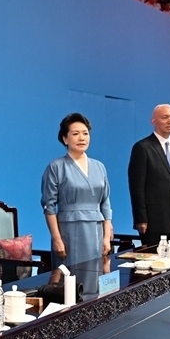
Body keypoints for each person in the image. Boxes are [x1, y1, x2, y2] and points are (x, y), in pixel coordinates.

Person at [41, 113, 113, 267]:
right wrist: (56, 239)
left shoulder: (99, 167)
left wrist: (106, 236)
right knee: (70, 276)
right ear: (65, 139)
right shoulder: (56, 167)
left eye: (85, 133)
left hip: (96, 230)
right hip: (69, 232)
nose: (82, 138)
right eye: (75, 134)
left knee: (96, 273)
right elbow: (49, 206)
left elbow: (105, 203)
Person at [127, 104, 170, 246]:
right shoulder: (143, 147)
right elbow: (137, 186)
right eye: (165, 117)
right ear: (153, 121)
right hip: (153, 221)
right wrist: (140, 218)